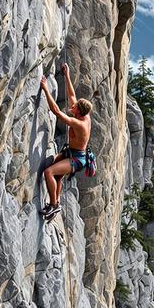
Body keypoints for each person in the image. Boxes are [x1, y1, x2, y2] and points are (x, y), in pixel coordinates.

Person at [39, 63, 95, 222]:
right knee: (57, 177)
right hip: (73, 153)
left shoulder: (80, 124)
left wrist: (45, 89)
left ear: (78, 111)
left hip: (76, 159)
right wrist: (67, 74)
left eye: (74, 107)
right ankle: (54, 203)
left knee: (49, 172)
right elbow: (72, 96)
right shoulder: (83, 114)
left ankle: (53, 205)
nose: (72, 106)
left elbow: (56, 112)